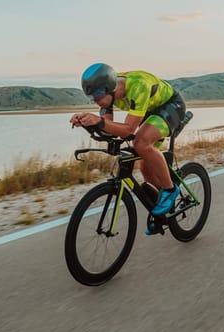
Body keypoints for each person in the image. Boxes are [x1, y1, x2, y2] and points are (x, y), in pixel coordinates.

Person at [69, 63, 187, 232]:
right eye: (91, 97)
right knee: (145, 167)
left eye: (98, 95)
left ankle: (170, 190)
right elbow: (108, 126)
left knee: (140, 143)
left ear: (110, 88)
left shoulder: (138, 86)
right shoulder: (105, 94)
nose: (96, 100)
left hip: (170, 106)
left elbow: (128, 130)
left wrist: (99, 121)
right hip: (149, 110)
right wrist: (87, 122)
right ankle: (165, 209)